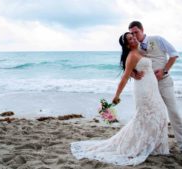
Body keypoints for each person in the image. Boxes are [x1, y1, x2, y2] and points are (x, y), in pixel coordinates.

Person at [71, 32, 169, 166]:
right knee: (145, 117)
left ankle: (153, 145)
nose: (134, 39)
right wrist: (117, 96)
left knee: (159, 114)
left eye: (133, 36)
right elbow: (124, 77)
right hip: (144, 90)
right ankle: (138, 146)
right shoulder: (132, 55)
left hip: (152, 87)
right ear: (127, 44)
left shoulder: (140, 50)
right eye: (130, 39)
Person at [128, 21, 182, 158]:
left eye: (136, 32)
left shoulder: (157, 39)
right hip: (147, 86)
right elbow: (127, 65)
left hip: (164, 82)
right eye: (131, 33)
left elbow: (174, 54)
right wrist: (134, 74)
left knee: (173, 111)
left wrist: (164, 70)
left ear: (142, 30)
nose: (134, 35)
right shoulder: (135, 48)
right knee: (148, 115)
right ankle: (148, 144)